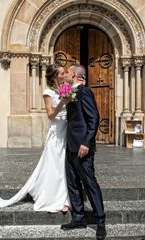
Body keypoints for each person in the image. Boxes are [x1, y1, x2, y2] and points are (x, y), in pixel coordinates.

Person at [0, 64, 70, 213]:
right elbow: (50, 115)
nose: (65, 75)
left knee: (64, 166)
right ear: (55, 76)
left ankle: (66, 198)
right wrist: (62, 103)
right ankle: (54, 198)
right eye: (62, 73)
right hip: (56, 132)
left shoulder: (65, 89)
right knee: (56, 166)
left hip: (67, 131)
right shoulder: (48, 92)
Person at [60, 64, 106, 240]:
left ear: (76, 75)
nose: (65, 74)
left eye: (68, 72)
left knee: (89, 182)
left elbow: (93, 118)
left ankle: (100, 220)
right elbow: (62, 95)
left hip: (82, 146)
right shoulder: (69, 90)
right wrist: (63, 80)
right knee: (72, 182)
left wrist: (87, 143)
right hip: (70, 144)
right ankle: (78, 217)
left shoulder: (84, 91)